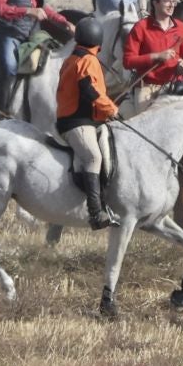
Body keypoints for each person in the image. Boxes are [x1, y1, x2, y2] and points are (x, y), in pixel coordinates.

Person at [56, 15, 121, 229]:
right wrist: (110, 109)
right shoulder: (87, 61)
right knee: (93, 157)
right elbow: (89, 91)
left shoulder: (72, 58)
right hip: (76, 122)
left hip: (85, 119)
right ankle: (95, 212)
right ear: (99, 40)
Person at [123, 0, 183, 107]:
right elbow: (128, 61)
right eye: (167, 1)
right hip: (147, 87)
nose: (172, 5)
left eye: (173, 2)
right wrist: (156, 56)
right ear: (155, 3)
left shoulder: (182, 28)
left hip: (174, 87)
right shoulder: (140, 27)